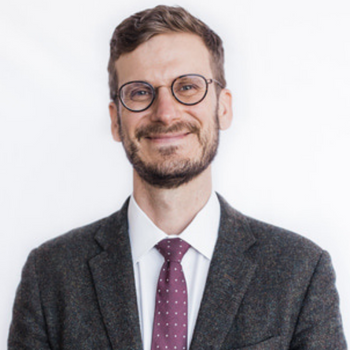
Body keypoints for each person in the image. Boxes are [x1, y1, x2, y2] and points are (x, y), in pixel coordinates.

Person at [8, 5, 347, 350]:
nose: (166, 113)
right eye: (140, 92)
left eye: (187, 87)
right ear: (115, 119)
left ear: (223, 108)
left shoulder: (300, 272)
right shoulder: (50, 275)